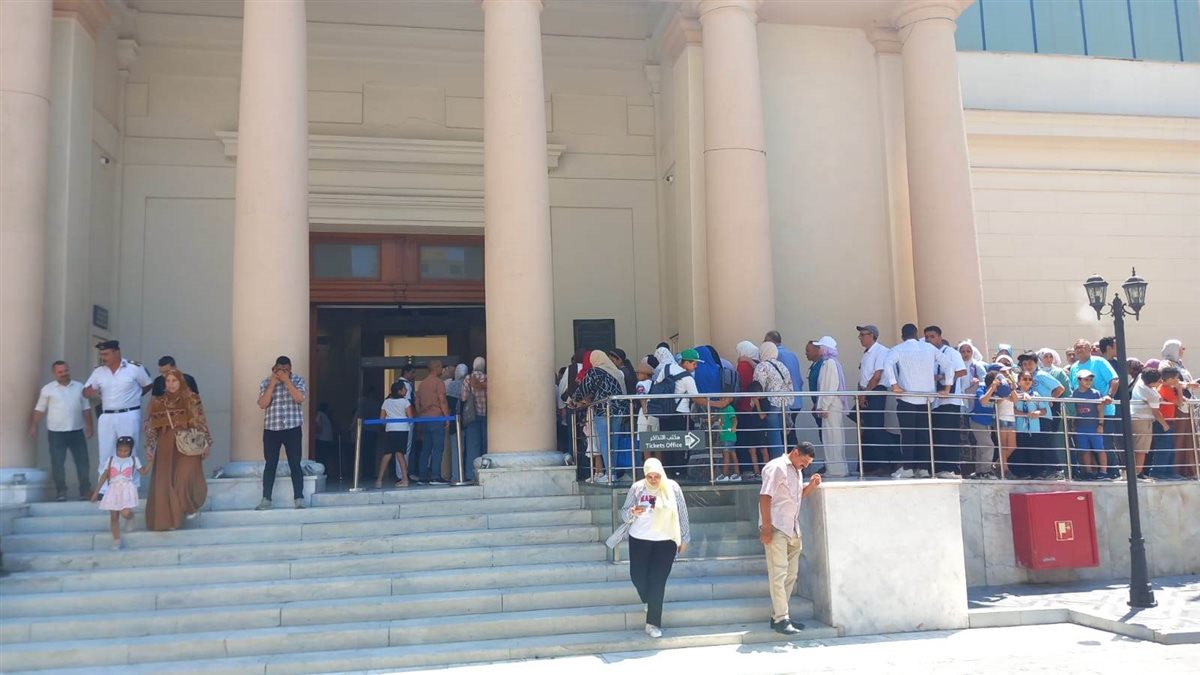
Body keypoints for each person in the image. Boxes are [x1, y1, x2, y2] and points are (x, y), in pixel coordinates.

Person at [609, 458, 690, 639]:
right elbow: (624, 513)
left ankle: (653, 623)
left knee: (658, 581)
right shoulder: (637, 488)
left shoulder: (673, 488)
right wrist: (632, 512)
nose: (653, 480)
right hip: (640, 539)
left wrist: (685, 538)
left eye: (657, 476)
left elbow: (682, 513)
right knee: (637, 575)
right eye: (650, 476)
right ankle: (649, 600)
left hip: (666, 540)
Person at [758, 441, 821, 635]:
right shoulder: (776, 467)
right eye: (804, 461)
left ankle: (778, 615)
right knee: (778, 574)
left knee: (791, 575)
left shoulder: (797, 470)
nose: (805, 466)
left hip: (793, 528)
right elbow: (765, 496)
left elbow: (796, 497)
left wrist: (811, 487)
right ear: (795, 452)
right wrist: (766, 527)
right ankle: (781, 618)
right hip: (776, 526)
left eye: (808, 464)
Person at [882, 324, 953, 479]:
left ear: (902, 336)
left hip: (907, 397)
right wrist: (947, 388)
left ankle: (908, 468)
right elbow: (948, 364)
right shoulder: (930, 348)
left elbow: (886, 364)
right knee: (924, 435)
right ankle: (924, 468)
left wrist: (894, 385)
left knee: (908, 435)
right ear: (916, 334)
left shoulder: (898, 349)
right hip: (926, 398)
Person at [144, 368, 211, 530]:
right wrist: (150, 446)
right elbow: (152, 427)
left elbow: (200, 422)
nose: (171, 384)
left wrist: (206, 443)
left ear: (180, 381)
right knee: (165, 482)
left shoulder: (191, 399)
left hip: (187, 444)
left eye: (174, 380)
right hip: (166, 445)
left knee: (185, 477)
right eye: (168, 381)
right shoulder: (158, 402)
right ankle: (169, 520)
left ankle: (188, 506)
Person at [83, 340, 153, 492]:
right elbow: (86, 390)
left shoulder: (134, 368)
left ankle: (131, 487)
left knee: (130, 451)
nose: (103, 357)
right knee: (106, 452)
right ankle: (104, 489)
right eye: (101, 354)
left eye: (106, 354)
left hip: (129, 413)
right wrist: (88, 392)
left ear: (117, 352)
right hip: (107, 415)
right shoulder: (99, 371)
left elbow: (147, 384)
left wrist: (135, 396)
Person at [30, 360, 93, 501]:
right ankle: (61, 492)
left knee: (83, 462)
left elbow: (86, 408)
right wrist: (34, 425)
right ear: (54, 373)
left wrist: (89, 426)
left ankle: (85, 490)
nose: (64, 374)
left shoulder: (79, 387)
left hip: (76, 431)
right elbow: (40, 409)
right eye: (60, 372)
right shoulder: (47, 389)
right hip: (56, 433)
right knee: (57, 463)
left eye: (65, 370)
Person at [255, 356, 307, 510]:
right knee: (270, 464)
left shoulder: (298, 380)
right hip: (272, 429)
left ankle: (299, 498)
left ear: (290, 369)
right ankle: (266, 499)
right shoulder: (266, 382)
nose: (283, 372)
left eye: (286, 370)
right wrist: (273, 383)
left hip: (292, 428)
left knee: (295, 463)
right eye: (280, 369)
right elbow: (262, 404)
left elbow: (300, 398)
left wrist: (287, 381)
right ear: (274, 368)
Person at [571, 350, 630, 484]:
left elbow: (583, 389)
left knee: (604, 441)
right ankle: (613, 473)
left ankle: (609, 474)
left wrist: (574, 400)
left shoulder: (595, 371)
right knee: (614, 441)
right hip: (619, 410)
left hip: (602, 410)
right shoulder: (616, 372)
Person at [1069, 339, 1120, 479]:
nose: (1079, 349)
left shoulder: (1099, 361)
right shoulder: (1074, 367)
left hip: (1104, 412)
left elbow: (1115, 379)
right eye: (1077, 347)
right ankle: (1091, 472)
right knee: (1086, 447)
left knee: (1105, 444)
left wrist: (1109, 396)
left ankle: (1112, 472)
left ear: (1089, 349)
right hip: (1083, 416)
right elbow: (1073, 389)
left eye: (1082, 347)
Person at [91, 436, 152, 549]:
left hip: (126, 489)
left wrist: (151, 461)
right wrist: (96, 492)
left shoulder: (133, 460)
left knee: (125, 513)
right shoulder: (111, 460)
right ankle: (116, 540)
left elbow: (143, 472)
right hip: (113, 489)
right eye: (120, 450)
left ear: (130, 450)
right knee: (114, 517)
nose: (122, 453)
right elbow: (105, 475)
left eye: (125, 450)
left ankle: (130, 517)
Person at [651, 347, 702, 478]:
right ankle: (680, 473)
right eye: (694, 363)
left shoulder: (666, 368)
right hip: (681, 414)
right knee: (682, 445)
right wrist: (716, 404)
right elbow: (696, 398)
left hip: (664, 413)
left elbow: (657, 384)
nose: (695, 366)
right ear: (686, 362)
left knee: (667, 443)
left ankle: (668, 472)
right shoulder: (688, 378)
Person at [924, 326, 966, 479]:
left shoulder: (950, 353)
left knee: (949, 435)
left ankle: (952, 468)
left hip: (950, 400)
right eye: (927, 337)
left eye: (932, 336)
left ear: (940, 337)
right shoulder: (929, 354)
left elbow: (962, 371)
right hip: (936, 401)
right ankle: (940, 467)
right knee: (939, 435)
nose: (929, 340)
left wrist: (942, 377)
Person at [1017, 352, 1066, 478]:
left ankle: (1057, 470)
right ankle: (1041, 471)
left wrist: (1051, 400)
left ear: (1036, 363)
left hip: (1043, 415)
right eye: (1024, 364)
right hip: (1032, 416)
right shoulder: (1025, 377)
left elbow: (1060, 388)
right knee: (1037, 444)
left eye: (1030, 363)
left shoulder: (1041, 375)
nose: (1027, 366)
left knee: (1046, 442)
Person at [812, 336, 851, 477]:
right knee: (833, 437)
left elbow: (830, 386)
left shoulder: (830, 363)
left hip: (831, 406)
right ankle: (836, 468)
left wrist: (824, 406)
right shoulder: (830, 362)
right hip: (832, 405)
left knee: (832, 437)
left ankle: (836, 470)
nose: (818, 349)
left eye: (820, 347)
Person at [856, 325, 891, 476]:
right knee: (868, 429)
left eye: (863, 334)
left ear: (872, 336)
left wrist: (864, 395)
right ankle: (872, 465)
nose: (860, 338)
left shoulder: (881, 351)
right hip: (867, 392)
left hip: (876, 392)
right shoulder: (866, 354)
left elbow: (877, 376)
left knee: (876, 428)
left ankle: (885, 463)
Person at [754, 342, 794, 461]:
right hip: (785, 403)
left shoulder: (762, 366)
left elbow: (758, 387)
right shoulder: (782, 365)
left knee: (774, 434)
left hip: (771, 403)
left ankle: (778, 461)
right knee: (783, 434)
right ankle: (785, 460)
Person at [414, 359, 450, 485]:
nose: (442, 369)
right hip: (436, 417)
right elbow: (442, 400)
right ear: (437, 367)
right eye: (441, 367)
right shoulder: (439, 382)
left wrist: (420, 415)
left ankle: (422, 476)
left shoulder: (422, 384)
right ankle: (435, 476)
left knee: (426, 448)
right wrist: (446, 417)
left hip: (424, 418)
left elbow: (417, 402)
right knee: (438, 447)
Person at [1070, 369, 1110, 480]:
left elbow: (1100, 410)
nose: (1089, 382)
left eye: (1090, 380)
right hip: (1081, 427)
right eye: (1086, 379)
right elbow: (1074, 411)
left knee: (1099, 448)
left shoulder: (1095, 393)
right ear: (1079, 380)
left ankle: (1103, 471)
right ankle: (1088, 471)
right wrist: (1073, 424)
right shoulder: (1075, 394)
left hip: (1094, 426)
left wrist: (1100, 425)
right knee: (1085, 450)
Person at [764, 331, 802, 442]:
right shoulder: (792, 354)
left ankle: (790, 453)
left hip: (784, 402)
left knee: (784, 435)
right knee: (790, 432)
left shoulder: (776, 355)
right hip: (796, 399)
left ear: (770, 342)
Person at [1130, 368, 1167, 480]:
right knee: (1142, 449)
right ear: (1152, 383)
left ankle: (1135, 472)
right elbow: (1156, 412)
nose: (1161, 382)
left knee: (1136, 446)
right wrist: (1165, 424)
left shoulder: (1140, 380)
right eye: (1159, 380)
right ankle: (1137, 473)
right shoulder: (1151, 394)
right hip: (1143, 420)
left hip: (1134, 417)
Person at [1013, 371, 1051, 479]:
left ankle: (1037, 473)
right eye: (1024, 379)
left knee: (1035, 451)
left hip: (1034, 428)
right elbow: (1012, 410)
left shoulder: (1035, 394)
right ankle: (1023, 473)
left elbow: (1044, 410)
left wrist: (1037, 413)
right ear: (1019, 381)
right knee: (1021, 451)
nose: (1027, 381)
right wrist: (1025, 414)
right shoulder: (1015, 395)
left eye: (1030, 379)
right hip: (1020, 428)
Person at [967, 371, 1004, 479]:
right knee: (989, 446)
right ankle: (985, 471)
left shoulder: (995, 393)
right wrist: (992, 388)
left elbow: (999, 402)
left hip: (987, 423)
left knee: (981, 447)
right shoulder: (981, 390)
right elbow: (983, 401)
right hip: (977, 421)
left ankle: (979, 471)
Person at [378, 381, 412, 488]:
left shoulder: (386, 402)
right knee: (400, 454)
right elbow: (410, 417)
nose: (406, 390)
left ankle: (379, 480)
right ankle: (405, 479)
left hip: (390, 430)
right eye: (404, 388)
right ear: (399, 391)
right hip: (403, 429)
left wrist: (389, 424)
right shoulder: (405, 402)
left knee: (387, 454)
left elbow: (381, 419)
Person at [462, 357, 488, 479]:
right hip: (487, 415)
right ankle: (485, 473)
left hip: (472, 416)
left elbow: (463, 397)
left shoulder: (468, 378)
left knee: (472, 446)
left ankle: (471, 474)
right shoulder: (488, 378)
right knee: (486, 445)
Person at [715, 399, 739, 482]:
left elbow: (734, 419)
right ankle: (737, 473)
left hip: (728, 436)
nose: (721, 401)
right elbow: (718, 419)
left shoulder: (729, 408)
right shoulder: (721, 409)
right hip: (724, 436)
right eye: (720, 399)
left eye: (724, 399)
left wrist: (734, 427)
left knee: (727, 455)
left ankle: (725, 475)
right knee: (732, 454)